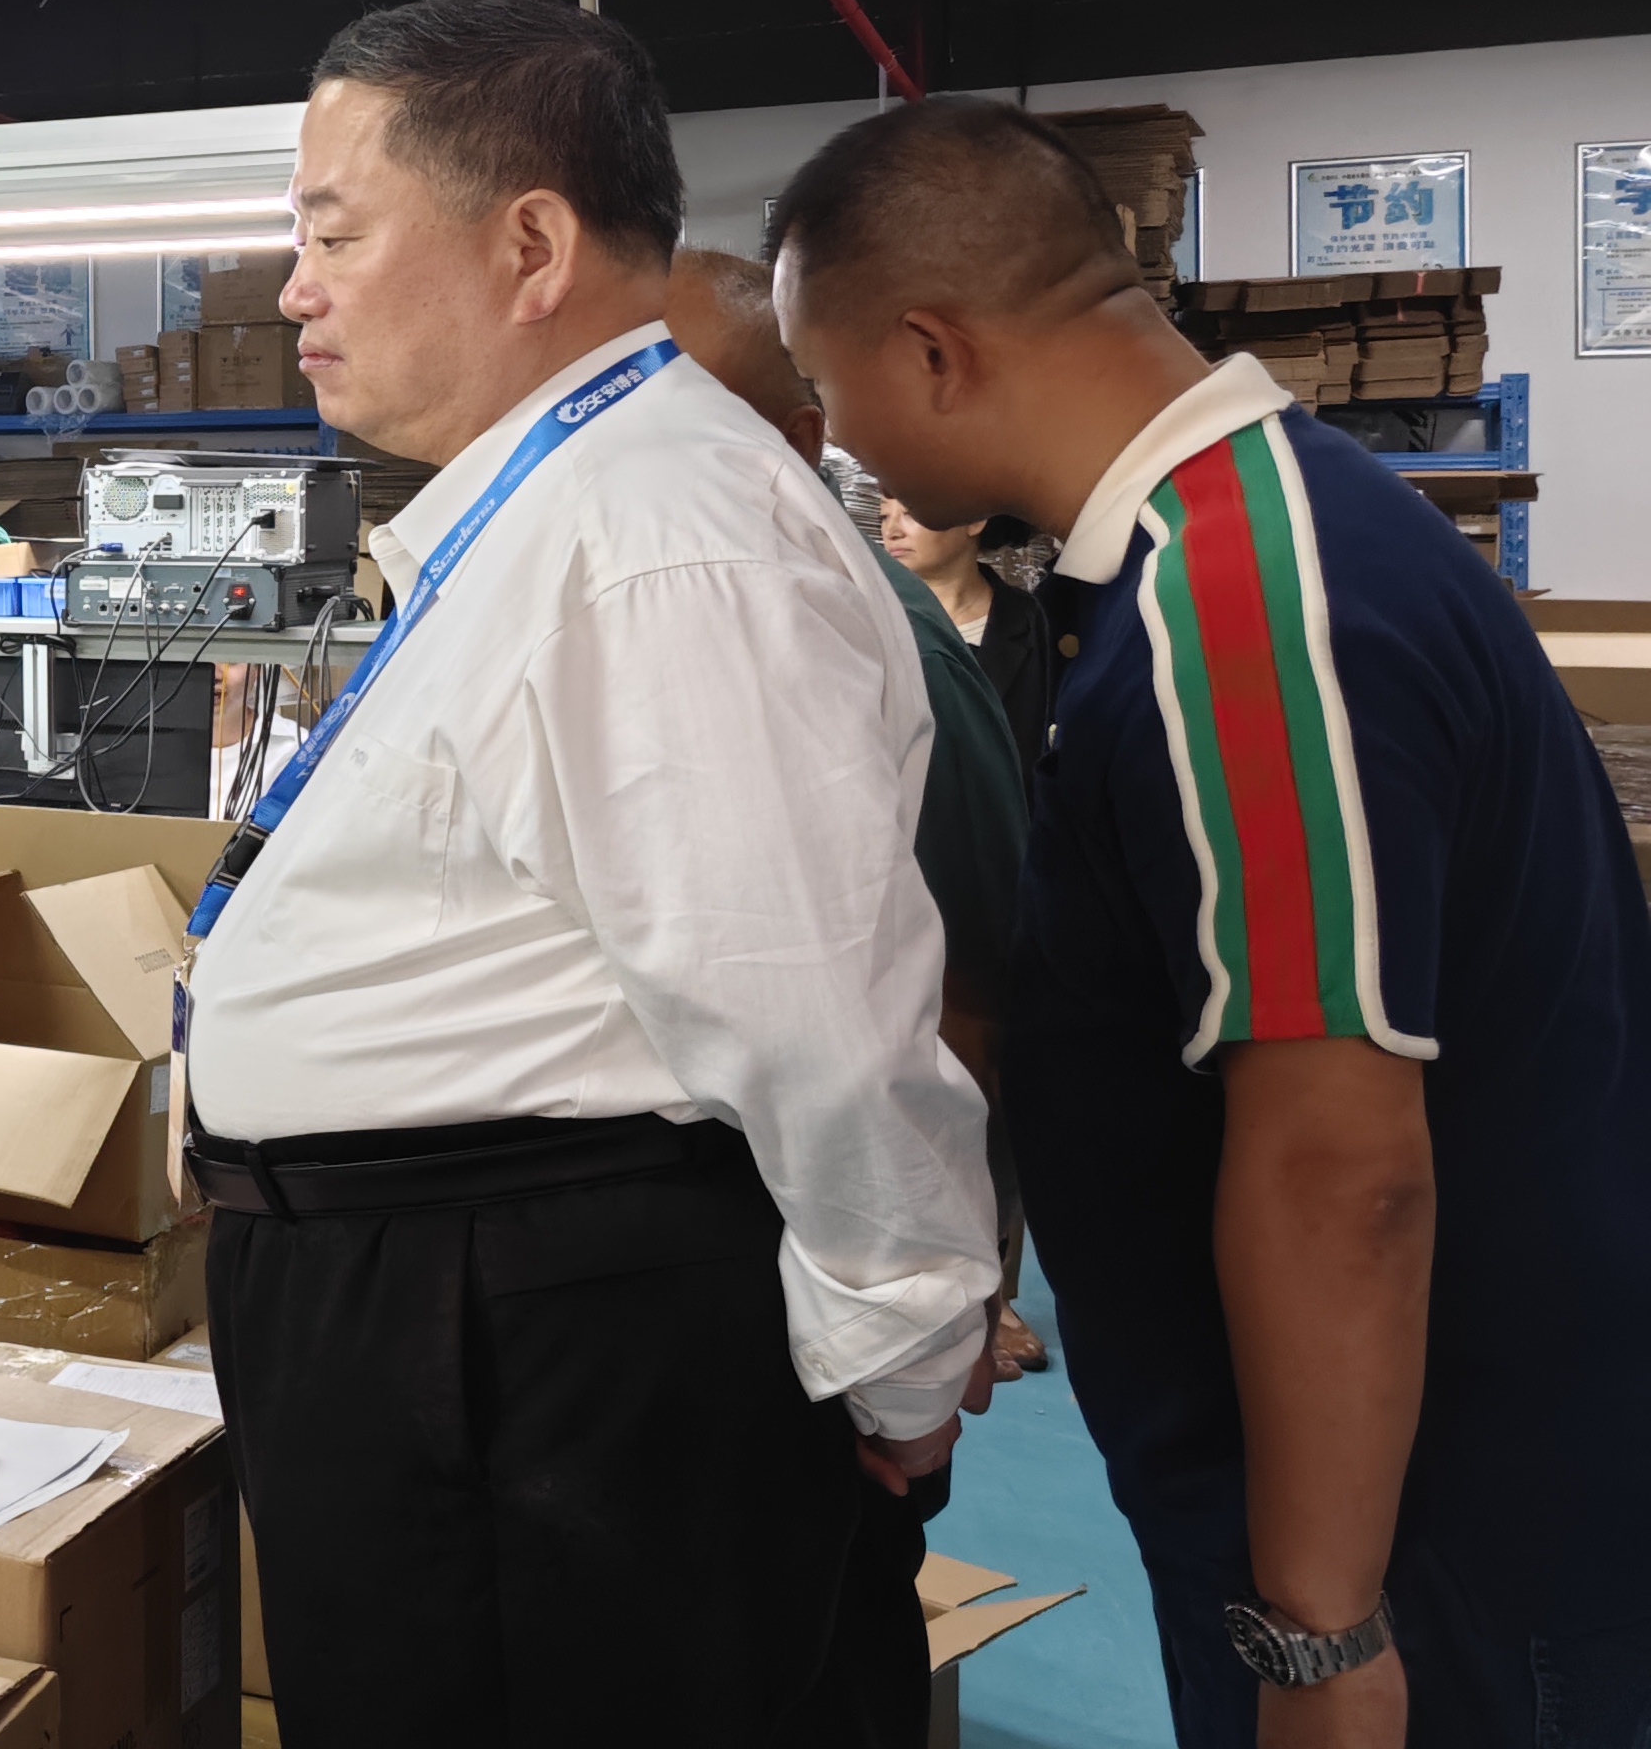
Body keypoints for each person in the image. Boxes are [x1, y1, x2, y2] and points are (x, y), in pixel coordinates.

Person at [772, 95, 1651, 1749]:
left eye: (829, 386)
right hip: (1373, 1506)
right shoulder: (1231, 546)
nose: (839, 438)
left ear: (933, 351)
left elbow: (1341, 1165)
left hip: (1429, 1548)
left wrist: (1322, 1633)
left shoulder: (1242, 606)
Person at [173, 0, 999, 1744]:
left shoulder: (659, 536)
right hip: (455, 1318)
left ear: (531, 245)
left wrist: (905, 1355)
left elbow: (815, 1016)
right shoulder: (567, 503)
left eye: (333, 234)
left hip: (540, 1342)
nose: (295, 289)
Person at [669, 252, 1043, 1394]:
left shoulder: (888, 644)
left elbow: (969, 999)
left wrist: (937, 1315)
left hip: (825, 1272)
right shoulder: (659, 623)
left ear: (791, 444)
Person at [881, 497, 1064, 782]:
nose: (891, 532)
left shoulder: (1038, 624)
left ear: (974, 519)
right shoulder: (871, 623)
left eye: (910, 513)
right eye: (883, 516)